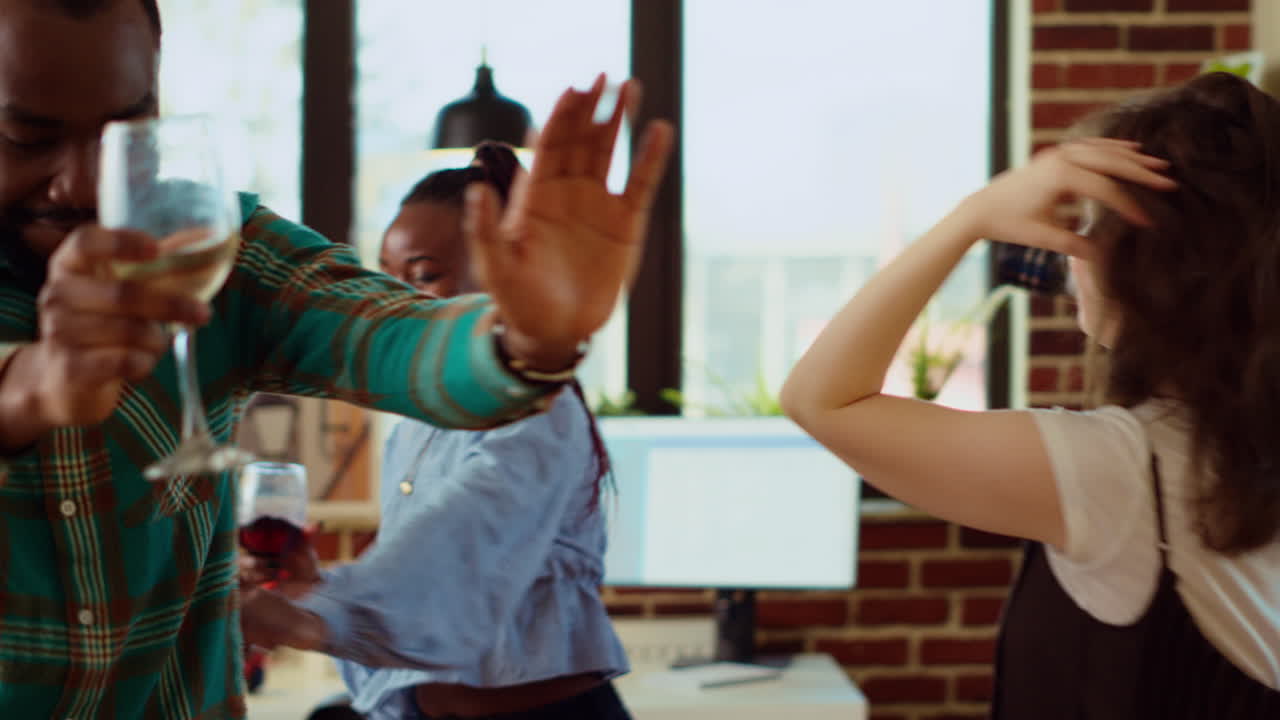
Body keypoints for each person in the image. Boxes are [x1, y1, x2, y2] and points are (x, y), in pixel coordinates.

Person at [0, 1, 672, 717]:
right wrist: (25, 393)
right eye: (25, 138)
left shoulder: (215, 248)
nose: (82, 182)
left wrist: (527, 339)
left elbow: (386, 330)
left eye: (124, 131)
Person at [780, 72, 1280, 717]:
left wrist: (973, 217)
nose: (1071, 255)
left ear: (1153, 269)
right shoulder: (1243, 457)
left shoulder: (1123, 472)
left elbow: (821, 400)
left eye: (1091, 225)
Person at [240, 142, 632, 720]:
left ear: (509, 274)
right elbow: (419, 581)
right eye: (386, 282)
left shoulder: (540, 412)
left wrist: (313, 613)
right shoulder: (412, 429)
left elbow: (457, 552)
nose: (397, 305)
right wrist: (314, 585)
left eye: (423, 278)